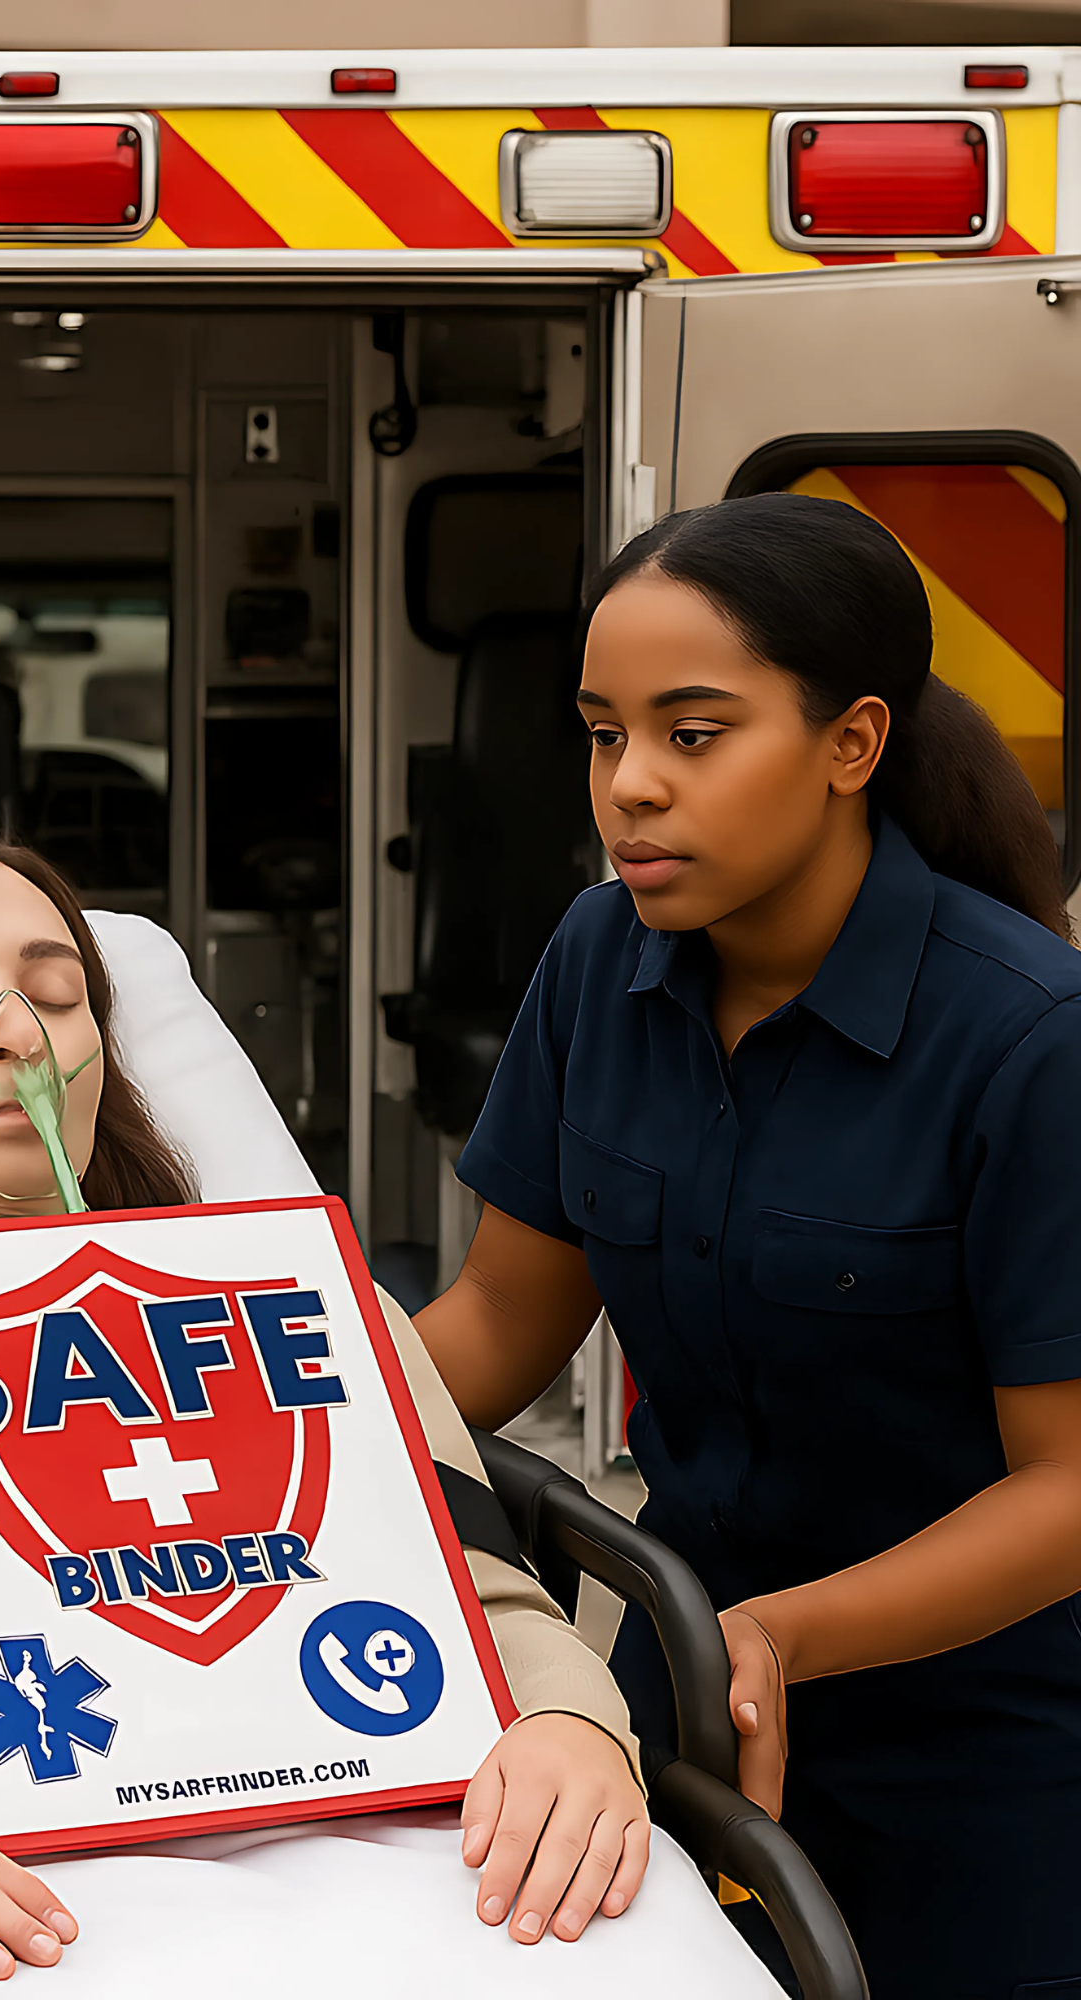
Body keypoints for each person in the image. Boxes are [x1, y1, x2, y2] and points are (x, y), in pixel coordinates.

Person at [0, 829, 779, 1996]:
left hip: (386, 1834)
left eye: (57, 997)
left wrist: (568, 1719)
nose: (12, 1032)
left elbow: (491, 1601)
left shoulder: (294, 1308)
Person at [415, 491, 1081, 1999]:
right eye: (603, 734)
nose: (630, 789)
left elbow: (1069, 1490)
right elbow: (503, 1324)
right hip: (688, 1674)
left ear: (852, 745)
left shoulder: (1030, 1042)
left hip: (989, 1742)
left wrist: (782, 1635)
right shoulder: (602, 960)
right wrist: (263, 1422)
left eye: (693, 735)